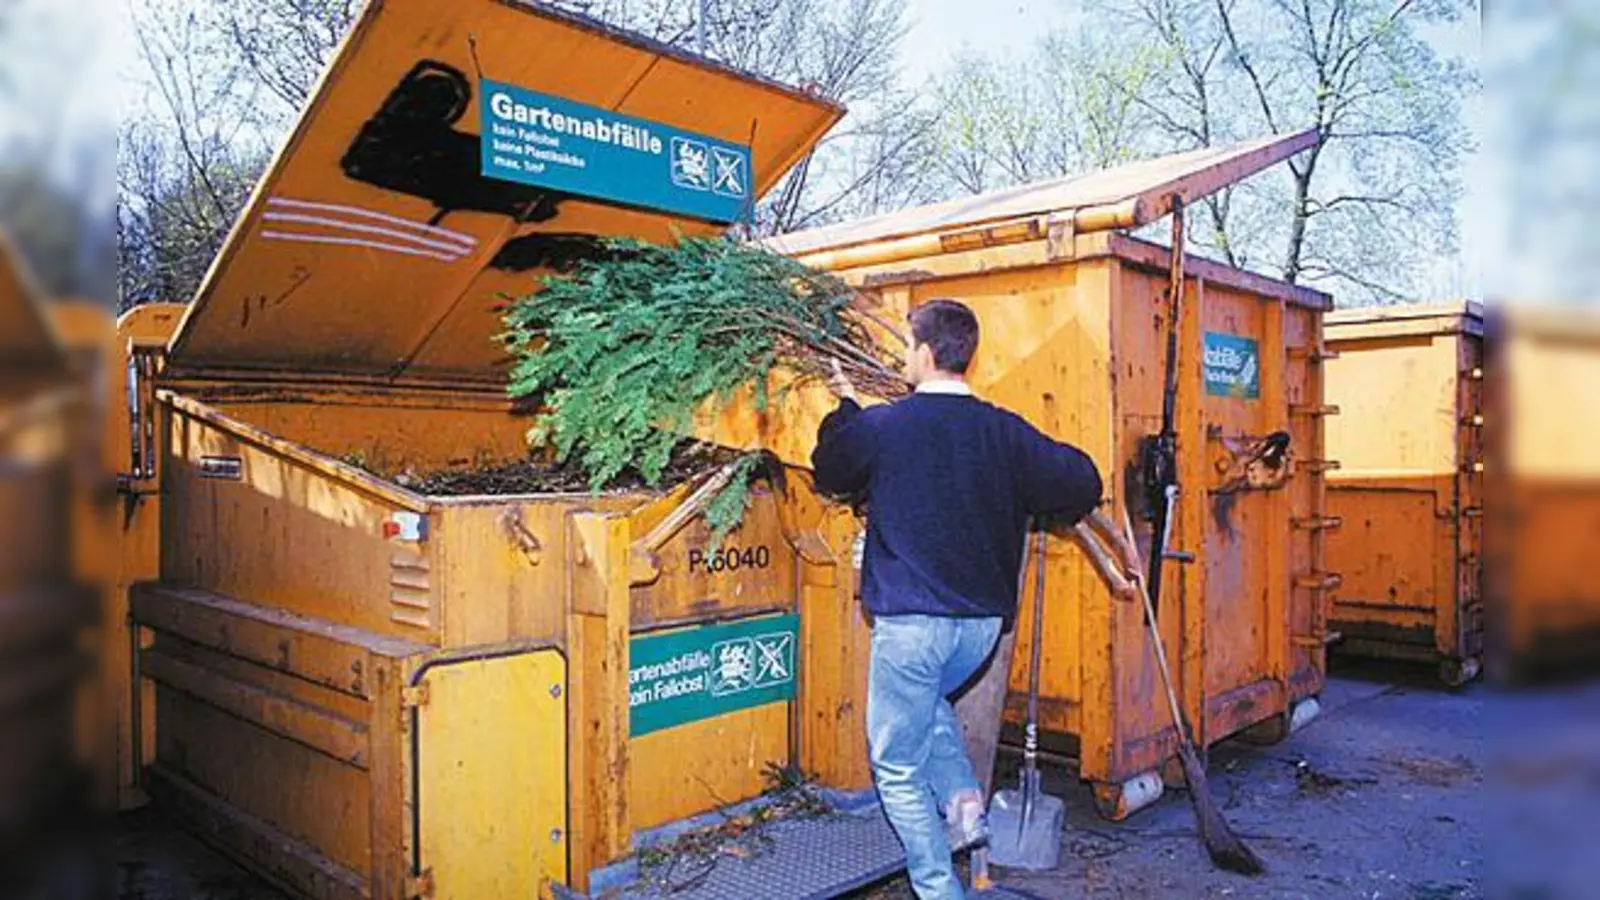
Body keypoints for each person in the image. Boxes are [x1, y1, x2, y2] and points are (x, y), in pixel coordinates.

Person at [812, 299, 1107, 900]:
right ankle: (965, 802)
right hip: (979, 633)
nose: (901, 358)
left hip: (914, 626)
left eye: (904, 347)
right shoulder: (1004, 430)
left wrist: (843, 410)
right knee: (929, 706)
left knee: (894, 763)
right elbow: (1081, 480)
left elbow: (831, 468)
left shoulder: (887, 426)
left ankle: (937, 889)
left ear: (924, 352)